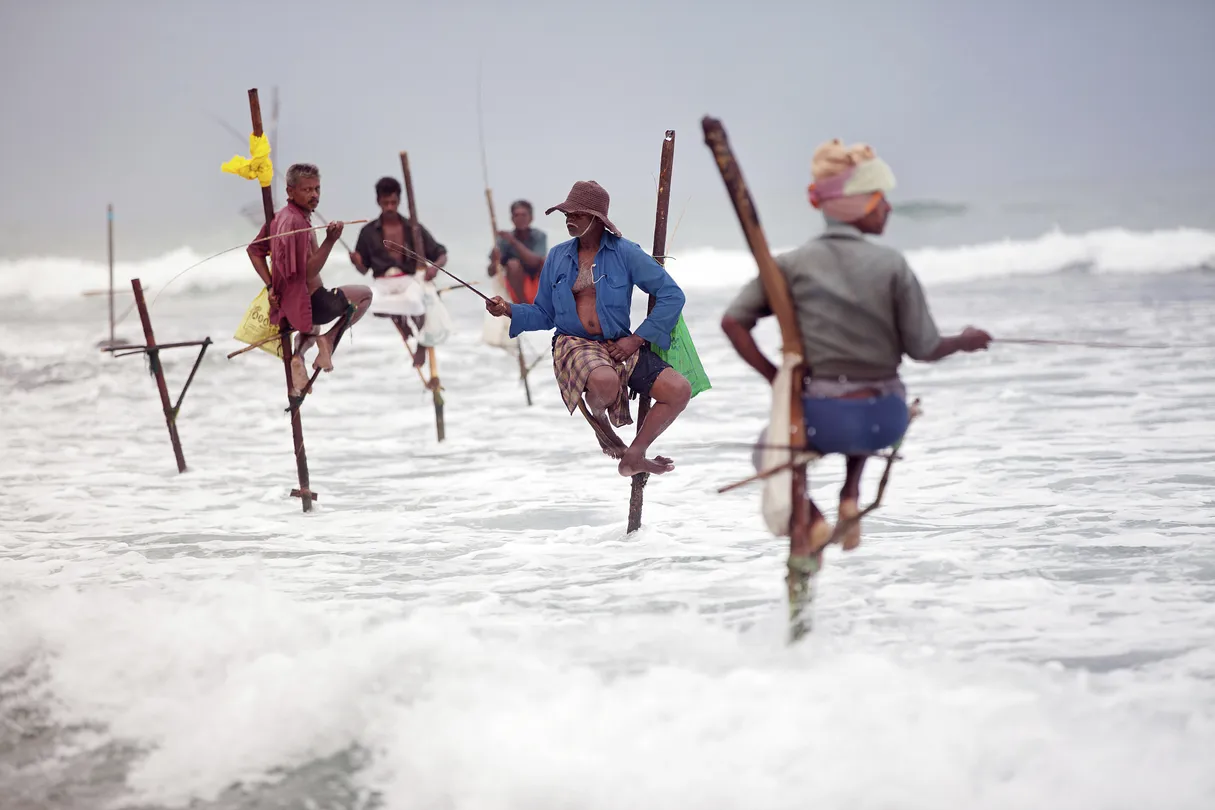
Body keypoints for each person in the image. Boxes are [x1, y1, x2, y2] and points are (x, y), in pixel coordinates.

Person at [720, 139, 991, 553]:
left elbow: (732, 322)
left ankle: (811, 520)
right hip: (886, 419)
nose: (888, 208)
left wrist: (775, 378)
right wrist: (965, 341)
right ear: (858, 204)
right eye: (880, 199)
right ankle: (850, 495)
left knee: (766, 449)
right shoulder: (892, 265)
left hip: (823, 421)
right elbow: (925, 348)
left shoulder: (792, 265)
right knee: (870, 385)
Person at [484, 180, 692, 477]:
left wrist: (636, 340)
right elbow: (544, 313)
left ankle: (634, 454)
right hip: (574, 343)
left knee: (679, 390)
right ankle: (600, 420)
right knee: (605, 380)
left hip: (619, 342)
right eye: (566, 214)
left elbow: (673, 295)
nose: (569, 219)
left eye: (577, 215)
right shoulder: (557, 256)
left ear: (597, 219)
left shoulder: (626, 253)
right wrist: (507, 309)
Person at [247, 162, 372, 395]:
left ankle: (298, 357)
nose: (314, 195)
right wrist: (330, 240)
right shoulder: (298, 225)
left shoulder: (278, 218)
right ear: (290, 191)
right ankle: (329, 340)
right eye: (307, 190)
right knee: (364, 295)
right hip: (312, 302)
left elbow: (253, 251)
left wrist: (270, 286)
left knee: (310, 327)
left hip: (290, 306)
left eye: (317, 189)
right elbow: (309, 272)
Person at [348, 177, 448, 369]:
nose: (390, 207)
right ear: (378, 201)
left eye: (393, 202)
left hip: (408, 279)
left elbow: (441, 253)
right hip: (382, 282)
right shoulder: (368, 232)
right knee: (369, 305)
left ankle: (422, 343)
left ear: (399, 201)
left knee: (417, 302)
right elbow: (363, 270)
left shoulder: (413, 228)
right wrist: (356, 262)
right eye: (386, 203)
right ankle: (400, 320)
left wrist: (434, 268)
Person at [486, 199, 547, 304]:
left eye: (524, 215)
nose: (520, 218)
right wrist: (494, 260)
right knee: (513, 264)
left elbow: (535, 262)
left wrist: (513, 241)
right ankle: (523, 305)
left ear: (531, 218)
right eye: (516, 215)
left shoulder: (539, 236)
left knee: (546, 261)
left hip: (537, 281)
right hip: (516, 286)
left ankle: (546, 302)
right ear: (512, 218)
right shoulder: (503, 240)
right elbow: (491, 272)